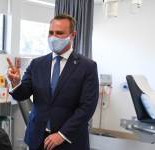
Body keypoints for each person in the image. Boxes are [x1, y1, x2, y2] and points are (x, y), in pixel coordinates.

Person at [7, 14, 99, 150]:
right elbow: (23, 94)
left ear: (72, 35)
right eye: (51, 32)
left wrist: (61, 135)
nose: (53, 37)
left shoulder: (87, 67)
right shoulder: (37, 64)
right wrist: (16, 83)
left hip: (69, 141)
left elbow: (87, 107)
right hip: (37, 138)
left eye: (59, 33)